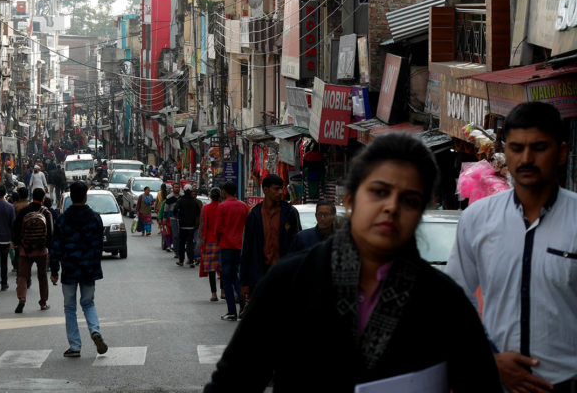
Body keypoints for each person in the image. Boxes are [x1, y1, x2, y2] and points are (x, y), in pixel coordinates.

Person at [203, 133, 502, 392]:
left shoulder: (443, 301)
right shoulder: (290, 283)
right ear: (350, 199)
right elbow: (233, 383)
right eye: (379, 192)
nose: (391, 207)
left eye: (409, 199)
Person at [447, 101, 577, 391]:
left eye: (539, 148)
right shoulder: (477, 218)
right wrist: (488, 358)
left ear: (562, 153)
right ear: (505, 153)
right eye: (517, 148)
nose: (526, 159)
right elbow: (455, 300)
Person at [49, 181, 109, 359]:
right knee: (88, 303)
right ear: (85, 196)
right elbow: (99, 244)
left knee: (69, 307)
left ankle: (75, 346)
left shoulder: (63, 219)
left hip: (69, 269)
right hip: (88, 269)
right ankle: (95, 331)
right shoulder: (95, 218)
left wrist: (54, 271)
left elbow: (56, 247)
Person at [240, 173, 301, 312]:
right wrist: (244, 282)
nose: (280, 192)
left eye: (281, 189)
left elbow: (297, 246)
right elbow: (247, 250)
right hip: (259, 274)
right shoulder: (254, 215)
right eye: (276, 189)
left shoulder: (290, 213)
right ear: (265, 190)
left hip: (283, 274)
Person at [13, 187, 54, 313]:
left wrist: (18, 244)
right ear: (43, 198)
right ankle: (43, 302)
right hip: (41, 250)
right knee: (42, 276)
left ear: (32, 196)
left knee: (23, 276)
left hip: (25, 250)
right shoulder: (46, 212)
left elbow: (15, 228)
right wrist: (49, 249)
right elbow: (51, 233)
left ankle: (21, 299)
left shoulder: (24, 211)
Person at [216, 181, 249, 320]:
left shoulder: (222, 206)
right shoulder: (244, 206)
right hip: (240, 247)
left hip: (226, 246)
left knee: (227, 279)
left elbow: (218, 229)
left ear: (224, 192)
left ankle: (231, 311)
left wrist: (219, 242)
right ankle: (242, 302)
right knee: (237, 276)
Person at [199, 187, 222, 302]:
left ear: (210, 196)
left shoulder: (206, 208)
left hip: (209, 242)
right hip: (222, 242)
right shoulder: (223, 208)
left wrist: (200, 244)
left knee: (212, 269)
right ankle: (223, 291)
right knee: (222, 268)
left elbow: (202, 226)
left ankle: (214, 294)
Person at [174, 184, 201, 267]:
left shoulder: (180, 200)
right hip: (191, 226)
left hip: (182, 226)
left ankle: (181, 261)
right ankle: (191, 261)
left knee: (181, 244)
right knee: (190, 244)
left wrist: (177, 217)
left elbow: (175, 209)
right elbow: (198, 212)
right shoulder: (194, 201)